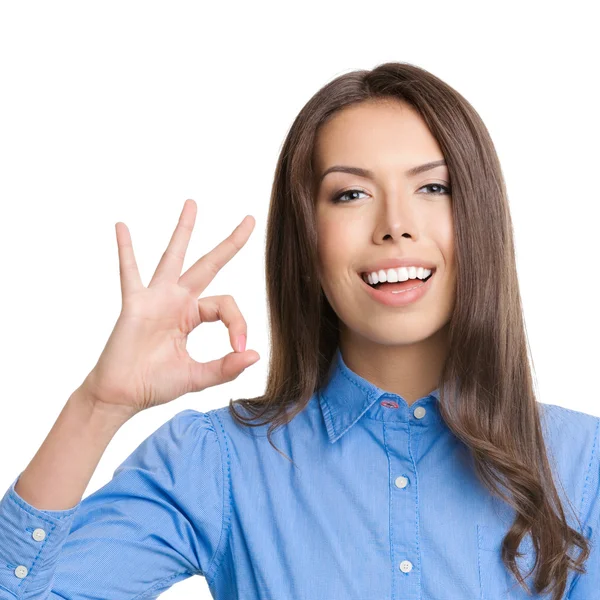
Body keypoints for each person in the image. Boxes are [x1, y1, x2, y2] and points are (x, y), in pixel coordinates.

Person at [0, 62, 598, 600]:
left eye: (433, 187)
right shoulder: (218, 462)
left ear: (482, 218)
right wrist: (97, 405)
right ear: (306, 240)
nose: (395, 226)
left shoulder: (583, 463)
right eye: (351, 194)